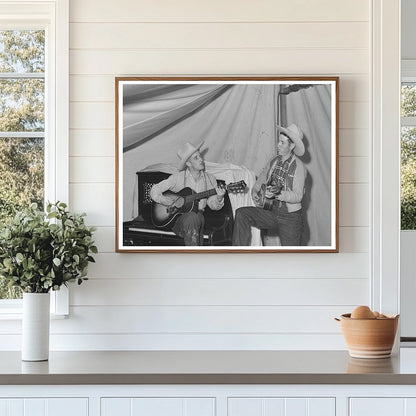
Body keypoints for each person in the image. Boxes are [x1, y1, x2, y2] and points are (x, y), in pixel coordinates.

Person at [232, 123, 307, 246]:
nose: (278, 145)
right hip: (271, 211)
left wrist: (278, 193)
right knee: (242, 214)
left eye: (282, 143)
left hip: (290, 218)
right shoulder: (274, 160)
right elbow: (262, 177)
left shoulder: (299, 167)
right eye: (279, 141)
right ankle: (239, 255)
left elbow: (298, 196)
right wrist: (255, 190)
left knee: (292, 258)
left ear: (292, 145)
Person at [150, 141, 225, 246]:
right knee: (191, 217)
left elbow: (213, 205)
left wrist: (219, 197)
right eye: (196, 158)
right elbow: (155, 189)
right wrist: (162, 199)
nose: (201, 160)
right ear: (188, 163)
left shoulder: (210, 179)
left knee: (194, 217)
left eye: (200, 156)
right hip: (177, 219)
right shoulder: (178, 177)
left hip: (198, 218)